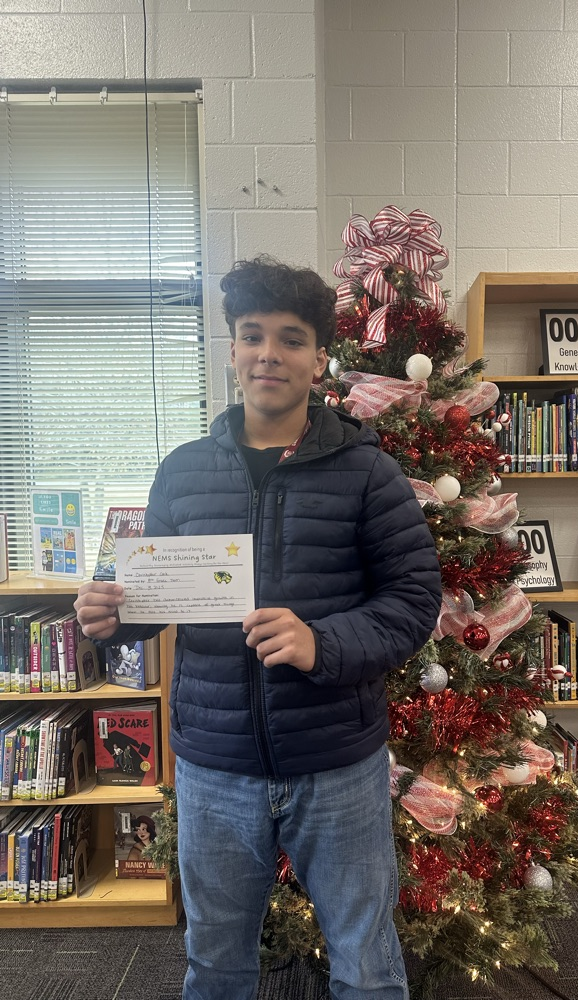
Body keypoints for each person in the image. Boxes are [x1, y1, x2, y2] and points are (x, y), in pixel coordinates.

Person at [74, 255, 443, 1000]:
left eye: (291, 337)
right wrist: (111, 620)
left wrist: (323, 642)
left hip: (337, 762)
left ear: (317, 358)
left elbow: (414, 598)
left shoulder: (368, 473)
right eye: (251, 335)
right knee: (215, 966)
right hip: (215, 769)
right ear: (232, 350)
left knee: (366, 965)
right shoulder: (182, 472)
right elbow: (149, 601)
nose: (268, 353)